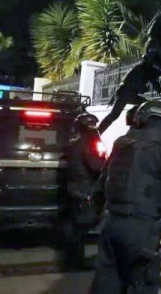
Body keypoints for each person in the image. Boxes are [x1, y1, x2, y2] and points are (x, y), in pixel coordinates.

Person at [90, 101, 161, 294]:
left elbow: (100, 186)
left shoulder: (122, 143)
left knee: (107, 282)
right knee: (142, 284)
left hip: (111, 224)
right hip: (141, 228)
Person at [97, 5, 161, 134]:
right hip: (131, 84)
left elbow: (153, 79)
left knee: (144, 108)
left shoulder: (148, 70)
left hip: (134, 85)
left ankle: (134, 128)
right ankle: (98, 132)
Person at [61, 113, 106, 270]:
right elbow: (97, 166)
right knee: (80, 228)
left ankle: (72, 260)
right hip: (84, 189)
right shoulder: (89, 142)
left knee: (74, 227)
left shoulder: (76, 141)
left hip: (75, 188)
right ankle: (76, 262)